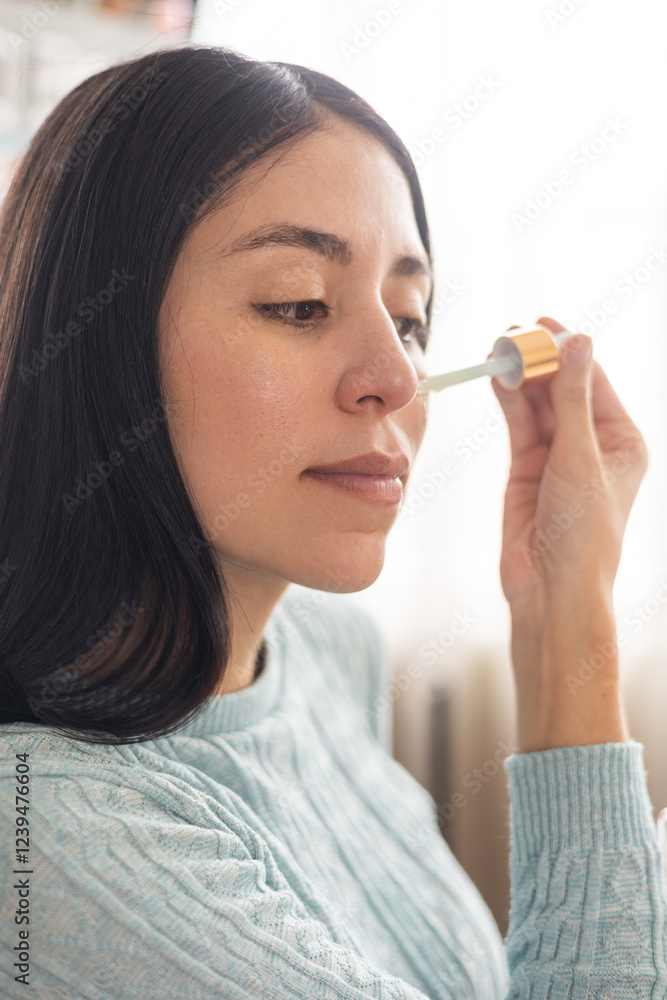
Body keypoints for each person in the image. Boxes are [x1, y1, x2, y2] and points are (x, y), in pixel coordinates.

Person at [0, 43, 664, 999]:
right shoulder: (55, 839)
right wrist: (572, 633)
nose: (397, 381)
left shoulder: (322, 652)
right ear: (98, 348)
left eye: (409, 318)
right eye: (298, 303)